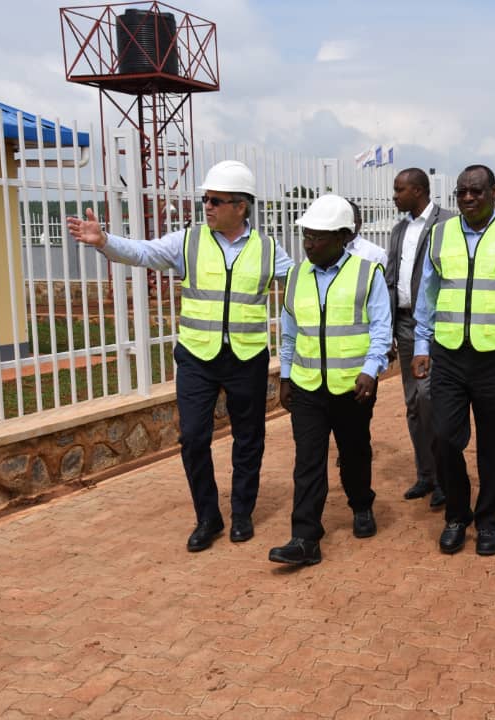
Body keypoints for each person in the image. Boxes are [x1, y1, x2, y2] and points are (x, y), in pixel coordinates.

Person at [66, 161, 293, 553]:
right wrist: (104, 241)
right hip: (197, 358)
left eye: (216, 200)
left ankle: (242, 513)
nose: (207, 206)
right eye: (205, 199)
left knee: (249, 439)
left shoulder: (269, 249)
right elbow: (143, 253)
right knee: (192, 438)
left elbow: (302, 287)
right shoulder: (188, 241)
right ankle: (208, 517)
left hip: (247, 357)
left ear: (240, 206)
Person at [411, 164, 495, 557]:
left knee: (494, 443)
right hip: (449, 352)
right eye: (461, 192)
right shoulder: (440, 235)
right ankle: (456, 515)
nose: (468, 198)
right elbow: (428, 296)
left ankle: (488, 523)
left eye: (476, 191)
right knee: (443, 437)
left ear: (494, 192)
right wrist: (422, 344)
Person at [270, 194, 392, 566]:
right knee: (308, 460)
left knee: (354, 453)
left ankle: (361, 504)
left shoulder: (367, 273)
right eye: (306, 236)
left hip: (352, 386)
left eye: (317, 237)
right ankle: (304, 537)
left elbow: (381, 330)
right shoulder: (295, 276)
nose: (308, 244)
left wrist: (371, 371)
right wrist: (286, 376)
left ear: (342, 237)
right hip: (307, 386)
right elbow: (289, 333)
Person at [385, 168, 455, 508]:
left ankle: (446, 476)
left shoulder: (448, 222)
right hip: (404, 324)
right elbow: (391, 277)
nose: (394, 195)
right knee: (414, 404)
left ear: (418, 190)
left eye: (400, 189)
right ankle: (425, 475)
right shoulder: (399, 229)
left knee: (432, 399)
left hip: (438, 325)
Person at [346, 199, 389, 267]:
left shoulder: (376, 255)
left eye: (350, 220)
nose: (345, 225)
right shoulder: (326, 253)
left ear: (359, 223)